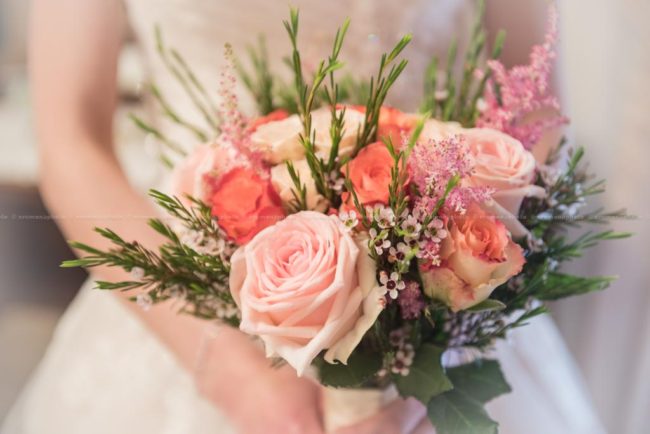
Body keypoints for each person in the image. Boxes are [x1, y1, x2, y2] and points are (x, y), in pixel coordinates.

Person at [1, 0, 605, 433]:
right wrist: (228, 371)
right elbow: (72, 145)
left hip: (437, 289)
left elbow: (537, 113)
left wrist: (433, 339)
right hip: (189, 300)